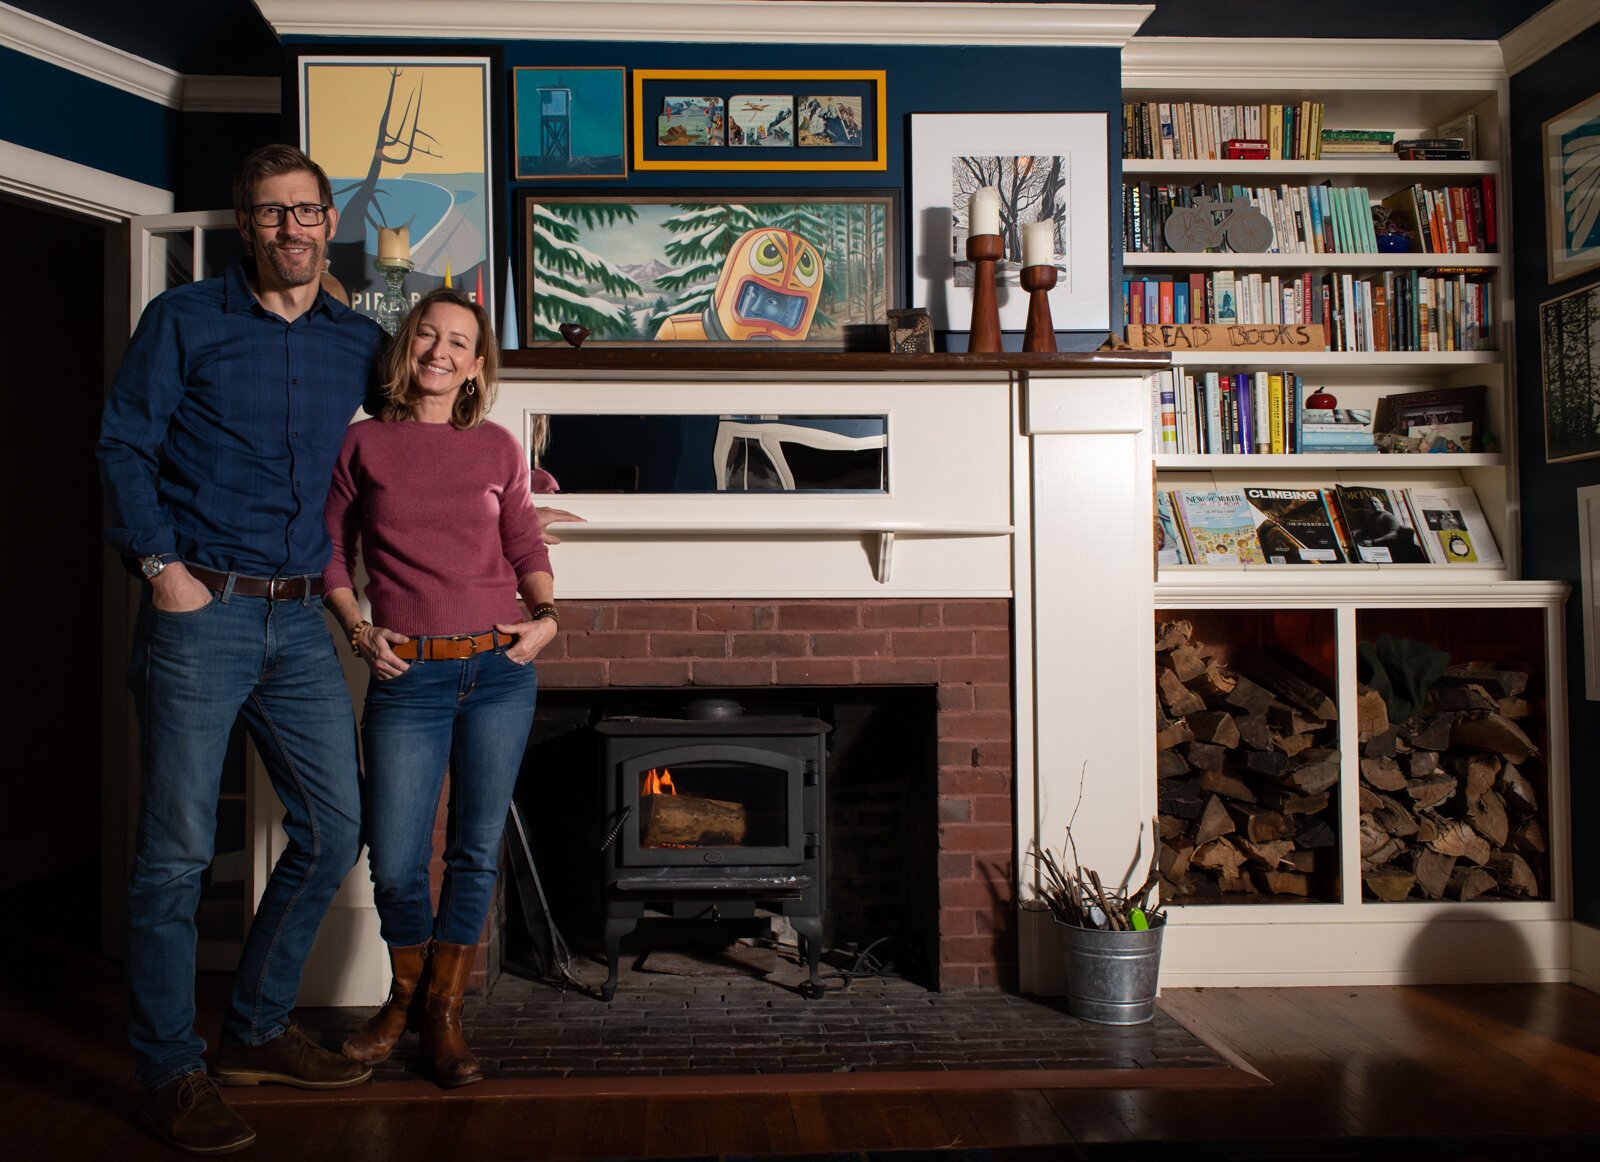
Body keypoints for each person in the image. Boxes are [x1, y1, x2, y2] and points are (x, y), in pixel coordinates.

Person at [97, 144, 385, 1155]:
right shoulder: (183, 321)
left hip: (303, 619)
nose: (290, 230)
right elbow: (123, 446)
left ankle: (256, 1030)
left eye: (305, 211)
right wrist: (158, 569)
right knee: (174, 859)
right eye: (269, 215)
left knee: (335, 826)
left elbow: (411, 444)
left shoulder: (360, 339)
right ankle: (169, 1069)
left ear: (329, 219)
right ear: (243, 225)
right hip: (200, 610)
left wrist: (512, 489)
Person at [322, 288, 558, 1088]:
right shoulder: (365, 445)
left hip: (499, 670)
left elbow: (523, 538)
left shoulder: (495, 447)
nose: (440, 351)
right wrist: (360, 630)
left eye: (459, 342)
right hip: (407, 676)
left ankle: (443, 1015)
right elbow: (327, 553)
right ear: (406, 348)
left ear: (476, 366)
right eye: (428, 334)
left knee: (471, 853)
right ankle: (409, 995)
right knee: (393, 861)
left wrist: (547, 616)